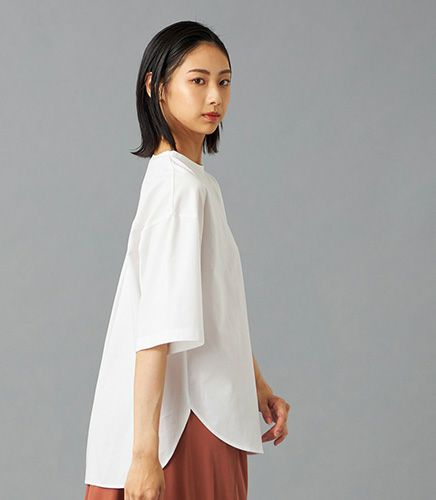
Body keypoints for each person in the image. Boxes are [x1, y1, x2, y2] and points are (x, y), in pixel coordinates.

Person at [84, 20, 290, 500]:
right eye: (198, 80)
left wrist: (258, 386)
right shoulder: (177, 186)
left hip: (206, 413)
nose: (215, 96)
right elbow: (157, 328)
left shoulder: (196, 184)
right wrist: (144, 454)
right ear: (156, 87)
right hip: (185, 426)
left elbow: (212, 309)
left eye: (224, 81)